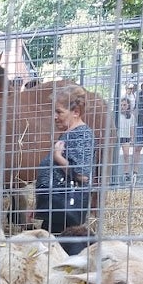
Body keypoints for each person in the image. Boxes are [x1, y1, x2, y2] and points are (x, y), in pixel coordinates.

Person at [34, 85, 95, 256]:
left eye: (59, 112)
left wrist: (57, 156)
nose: (54, 117)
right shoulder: (70, 133)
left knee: (59, 252)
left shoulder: (82, 135)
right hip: (57, 209)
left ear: (76, 112)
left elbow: (82, 174)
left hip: (65, 210)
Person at [116, 97, 135, 182]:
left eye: (124, 105)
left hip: (126, 137)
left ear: (128, 106)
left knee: (126, 155)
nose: (122, 107)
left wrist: (132, 138)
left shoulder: (131, 116)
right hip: (117, 137)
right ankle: (112, 172)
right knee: (114, 155)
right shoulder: (117, 115)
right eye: (121, 105)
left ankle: (126, 172)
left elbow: (132, 127)